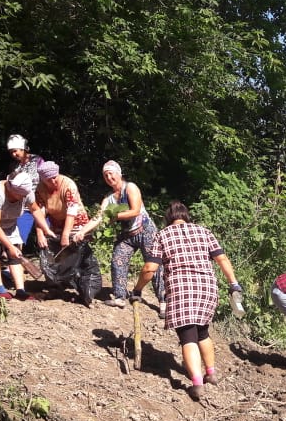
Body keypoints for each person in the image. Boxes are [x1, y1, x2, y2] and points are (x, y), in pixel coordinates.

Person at [129, 201, 241, 401]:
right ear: (186, 216)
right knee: (203, 332)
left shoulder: (162, 235)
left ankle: (197, 384)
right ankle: (211, 373)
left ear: (168, 218)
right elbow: (222, 259)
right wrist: (233, 284)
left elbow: (149, 269)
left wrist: (137, 289)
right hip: (207, 288)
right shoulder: (204, 232)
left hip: (182, 289)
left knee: (188, 337)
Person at [72, 160, 164, 312]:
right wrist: (83, 231)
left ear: (119, 173)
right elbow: (99, 217)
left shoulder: (131, 187)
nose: (109, 177)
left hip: (145, 230)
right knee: (117, 261)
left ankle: (163, 302)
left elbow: (135, 210)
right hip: (126, 235)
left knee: (153, 265)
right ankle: (120, 297)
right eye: (105, 175)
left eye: (111, 173)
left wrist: (114, 216)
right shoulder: (108, 198)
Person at [0, 172, 56, 300]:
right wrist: (9, 247)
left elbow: (35, 210)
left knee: (16, 252)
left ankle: (21, 291)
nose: (21, 198)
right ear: (10, 187)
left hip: (9, 221)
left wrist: (46, 228)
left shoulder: (27, 192)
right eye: (19, 195)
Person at [32, 160, 101, 305]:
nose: (53, 181)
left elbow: (72, 210)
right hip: (56, 222)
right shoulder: (40, 189)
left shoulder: (68, 184)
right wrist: (40, 233)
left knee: (77, 253)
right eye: (49, 179)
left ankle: (84, 289)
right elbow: (38, 212)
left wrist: (65, 234)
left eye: (54, 177)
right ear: (43, 179)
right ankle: (56, 286)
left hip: (76, 222)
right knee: (55, 255)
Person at [5, 134, 44, 246]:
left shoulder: (37, 160)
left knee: (45, 235)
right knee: (18, 238)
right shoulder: (14, 166)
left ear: (23, 148)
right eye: (11, 152)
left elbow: (45, 179)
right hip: (23, 205)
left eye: (15, 151)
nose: (14, 154)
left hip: (39, 203)